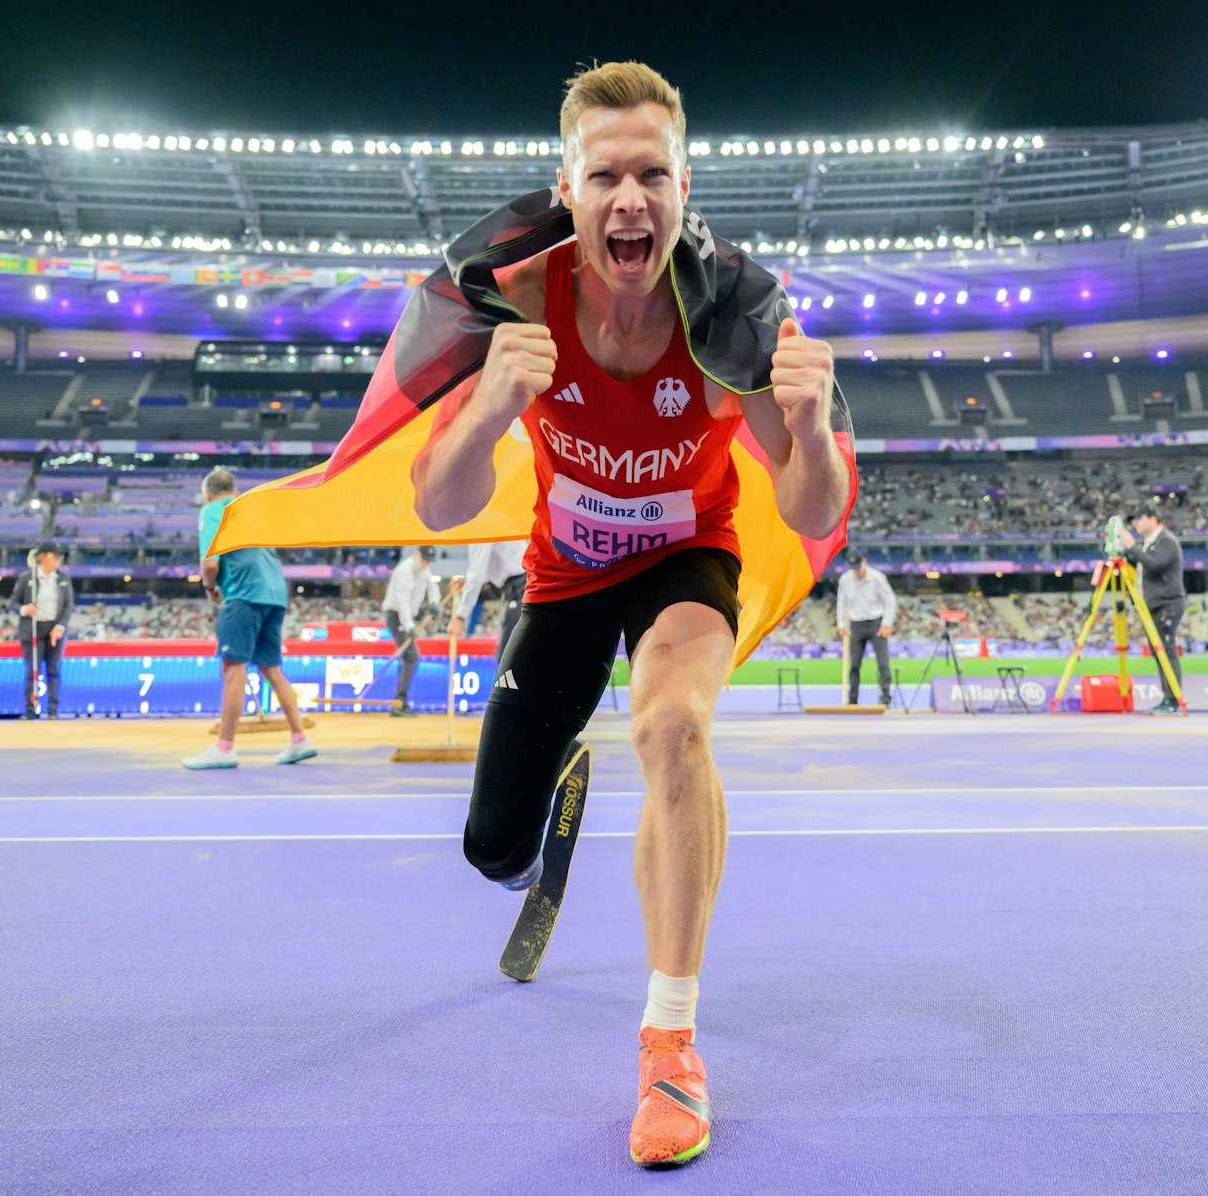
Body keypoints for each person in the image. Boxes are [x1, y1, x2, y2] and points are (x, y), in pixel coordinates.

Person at [410, 62, 847, 1168]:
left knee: (673, 728)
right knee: (488, 846)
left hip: (685, 559)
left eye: (651, 173)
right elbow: (438, 499)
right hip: (563, 571)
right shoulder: (515, 295)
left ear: (682, 184)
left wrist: (811, 427)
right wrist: (490, 412)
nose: (630, 200)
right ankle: (547, 809)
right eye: (606, 174)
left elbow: (807, 507)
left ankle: (670, 1039)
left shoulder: (729, 311)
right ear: (569, 188)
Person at [183, 468, 314, 769]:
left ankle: (225, 748)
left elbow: (209, 562)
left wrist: (209, 587)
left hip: (244, 593)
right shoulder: (251, 508)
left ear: (208, 493)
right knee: (271, 668)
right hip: (275, 594)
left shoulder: (213, 509)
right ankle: (299, 740)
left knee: (233, 669)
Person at [1117, 504, 1186, 713]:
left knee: (1166, 651)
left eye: (1139, 518)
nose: (1136, 524)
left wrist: (1132, 548)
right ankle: (1168, 697)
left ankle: (1173, 700)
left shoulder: (1166, 541)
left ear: (1153, 519)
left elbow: (1155, 565)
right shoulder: (1147, 543)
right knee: (1159, 654)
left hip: (1167, 603)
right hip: (1153, 605)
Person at [11, 542, 72, 719]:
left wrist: (60, 627)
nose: (59, 559)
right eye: (55, 556)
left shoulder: (63, 579)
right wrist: (25, 609)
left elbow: (68, 606)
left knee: (54, 670)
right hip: (33, 629)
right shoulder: (27, 578)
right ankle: (31, 708)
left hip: (55, 630)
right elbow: (13, 603)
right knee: (32, 670)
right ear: (44, 556)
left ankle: (53, 710)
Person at [381, 546, 441, 717]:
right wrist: (408, 627)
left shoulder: (425, 568)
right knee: (411, 655)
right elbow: (403, 602)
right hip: (396, 614)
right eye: (424, 559)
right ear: (416, 555)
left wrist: (435, 604)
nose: (426, 563)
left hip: (410, 614)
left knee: (409, 656)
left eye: (429, 560)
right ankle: (399, 703)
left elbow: (432, 587)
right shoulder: (404, 571)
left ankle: (400, 702)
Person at [835, 547, 898, 706]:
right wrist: (841, 624)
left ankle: (885, 696)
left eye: (859, 567)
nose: (857, 572)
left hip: (876, 623)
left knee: (883, 663)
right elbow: (841, 603)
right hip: (856, 624)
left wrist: (886, 624)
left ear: (864, 562)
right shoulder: (845, 580)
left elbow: (890, 601)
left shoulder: (877, 577)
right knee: (854, 664)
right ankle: (852, 699)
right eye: (854, 569)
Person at [448, 539, 529, 655]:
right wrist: (466, 581)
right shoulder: (487, 525)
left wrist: (460, 617)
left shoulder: (479, 527)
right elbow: (490, 564)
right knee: (508, 653)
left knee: (507, 654)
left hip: (521, 586)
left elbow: (476, 574)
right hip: (518, 585)